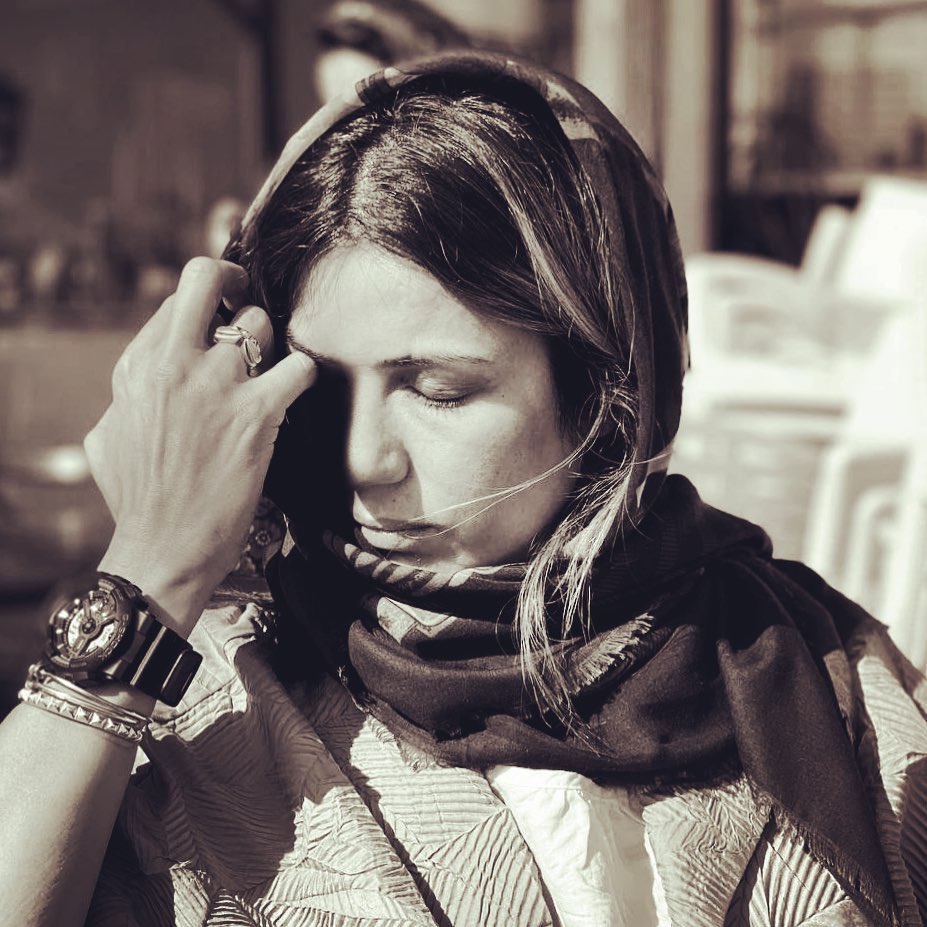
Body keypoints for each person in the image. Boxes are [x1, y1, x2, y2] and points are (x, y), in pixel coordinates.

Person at [1, 51, 925, 927]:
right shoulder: (193, 697)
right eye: (319, 391)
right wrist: (147, 571)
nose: (365, 459)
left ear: (607, 394)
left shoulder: (820, 675)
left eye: (437, 390)